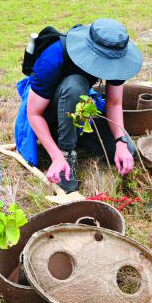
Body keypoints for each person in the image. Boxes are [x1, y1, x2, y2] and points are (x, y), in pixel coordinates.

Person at [14, 19, 143, 193]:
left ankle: (76, 137)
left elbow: (114, 103)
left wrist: (120, 143)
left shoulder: (114, 58)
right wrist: (57, 156)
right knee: (75, 84)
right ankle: (66, 152)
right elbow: (34, 114)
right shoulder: (54, 56)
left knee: (128, 150)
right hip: (49, 114)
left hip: (79, 111)